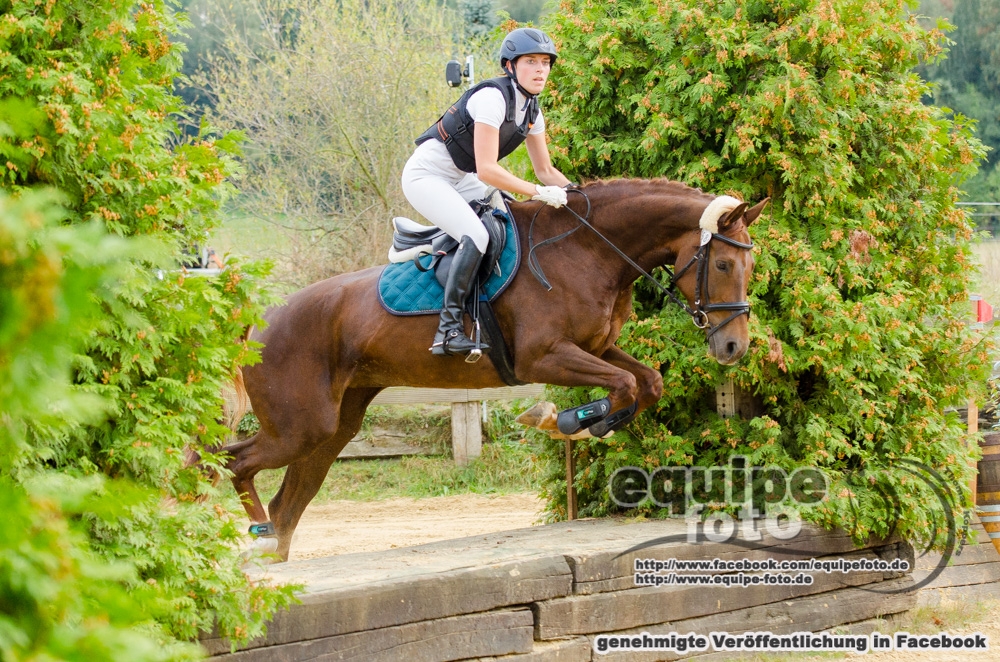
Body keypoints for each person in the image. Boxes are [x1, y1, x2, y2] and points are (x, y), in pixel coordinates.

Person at [403, 27, 573, 357]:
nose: (540, 70)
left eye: (545, 63)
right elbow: (488, 169)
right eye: (531, 62)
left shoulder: (533, 111)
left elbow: (546, 171)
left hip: (461, 176)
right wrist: (539, 192)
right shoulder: (492, 98)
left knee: (506, 221)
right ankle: (448, 330)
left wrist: (578, 197)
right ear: (510, 66)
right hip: (427, 175)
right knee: (477, 235)